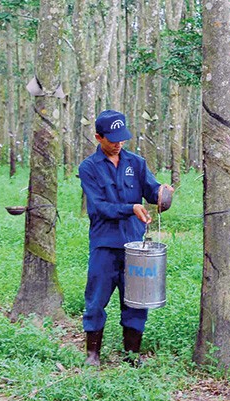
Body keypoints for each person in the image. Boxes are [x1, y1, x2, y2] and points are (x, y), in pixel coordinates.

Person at [78, 109, 174, 366]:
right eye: (112, 139)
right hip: (104, 245)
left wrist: (163, 193)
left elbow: (152, 190)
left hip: (135, 246)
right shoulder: (89, 168)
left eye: (122, 138)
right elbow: (98, 207)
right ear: (98, 137)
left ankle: (132, 355)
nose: (118, 144)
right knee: (96, 298)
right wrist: (130, 208)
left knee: (136, 299)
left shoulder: (136, 163)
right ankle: (92, 354)